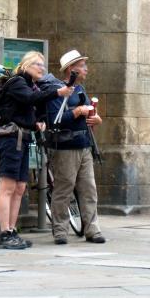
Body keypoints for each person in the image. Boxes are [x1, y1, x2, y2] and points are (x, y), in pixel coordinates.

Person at [0, 51, 74, 250]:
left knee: (19, 188)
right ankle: (4, 234)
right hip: (10, 138)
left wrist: (38, 122)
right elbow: (30, 99)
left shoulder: (30, 85)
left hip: (22, 137)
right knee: (8, 187)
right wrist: (57, 92)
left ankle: (12, 230)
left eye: (43, 65)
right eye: (38, 64)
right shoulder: (17, 83)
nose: (42, 68)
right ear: (27, 64)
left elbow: (31, 107)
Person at [43, 49, 105, 245]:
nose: (86, 69)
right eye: (82, 66)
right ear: (72, 69)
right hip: (65, 147)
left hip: (84, 144)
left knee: (89, 189)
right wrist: (78, 111)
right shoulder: (58, 90)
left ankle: (92, 229)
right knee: (64, 189)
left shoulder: (80, 90)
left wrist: (96, 118)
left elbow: (90, 116)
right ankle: (60, 231)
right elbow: (55, 120)